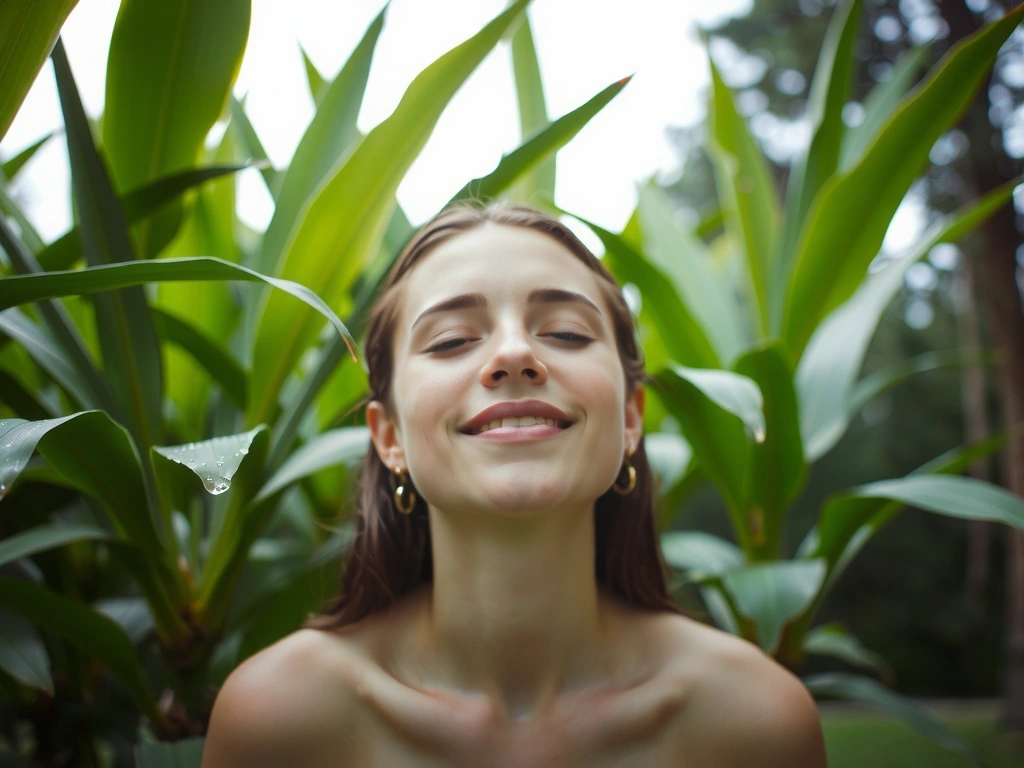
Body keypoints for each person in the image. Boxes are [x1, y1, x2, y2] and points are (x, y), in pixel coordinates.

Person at [201, 201, 828, 767]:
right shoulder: (280, 721)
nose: (513, 354)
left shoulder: (752, 720)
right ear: (388, 436)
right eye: (450, 341)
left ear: (631, 418)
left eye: (565, 332)